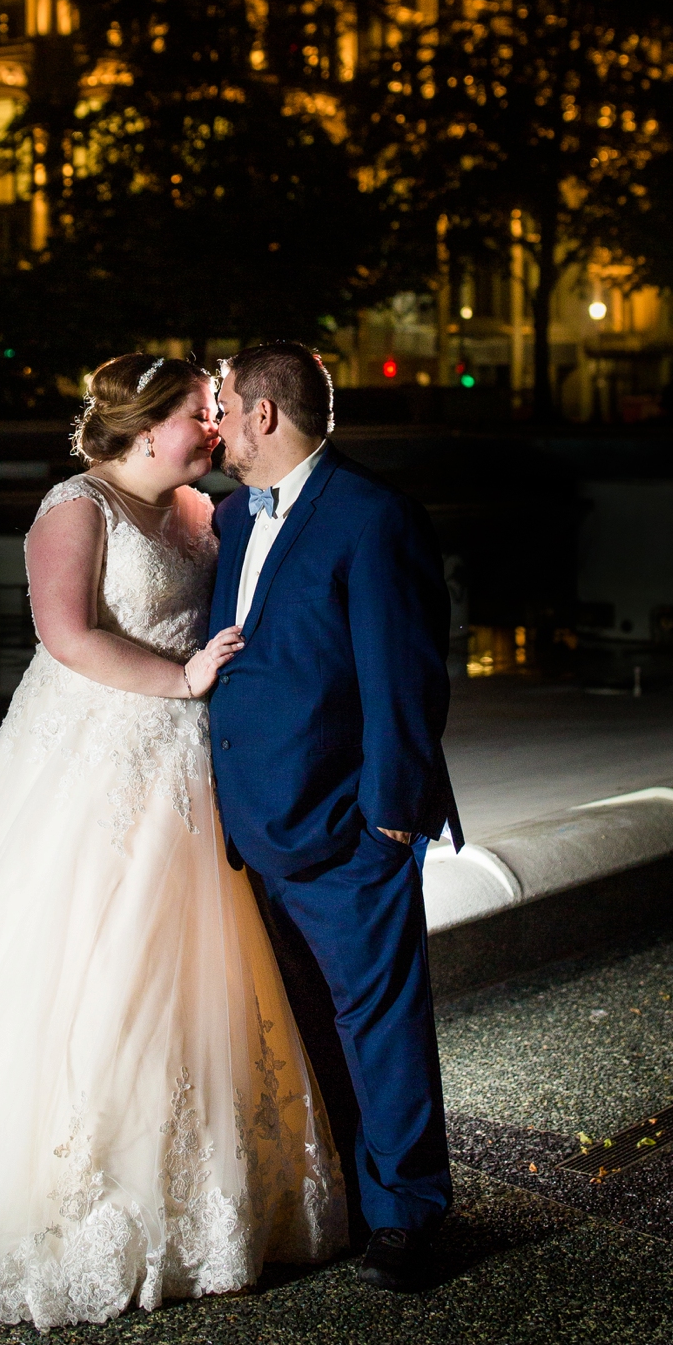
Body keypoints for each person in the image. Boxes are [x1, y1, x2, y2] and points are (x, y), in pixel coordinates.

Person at [0, 352, 344, 1329]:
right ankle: (52, 1166)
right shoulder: (75, 508)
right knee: (79, 957)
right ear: (139, 426)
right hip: (99, 762)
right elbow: (67, 635)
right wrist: (181, 682)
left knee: (185, 967)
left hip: (188, 767)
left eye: (213, 416)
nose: (210, 431)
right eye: (194, 417)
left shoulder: (199, 512)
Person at [208, 342, 462, 1294]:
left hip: (351, 829)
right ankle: (350, 1197)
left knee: (382, 1023)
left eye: (227, 405)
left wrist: (392, 816)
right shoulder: (234, 519)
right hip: (252, 826)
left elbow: (406, 676)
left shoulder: (373, 516)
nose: (217, 424)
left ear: (265, 414)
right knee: (307, 1024)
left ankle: (407, 1215)